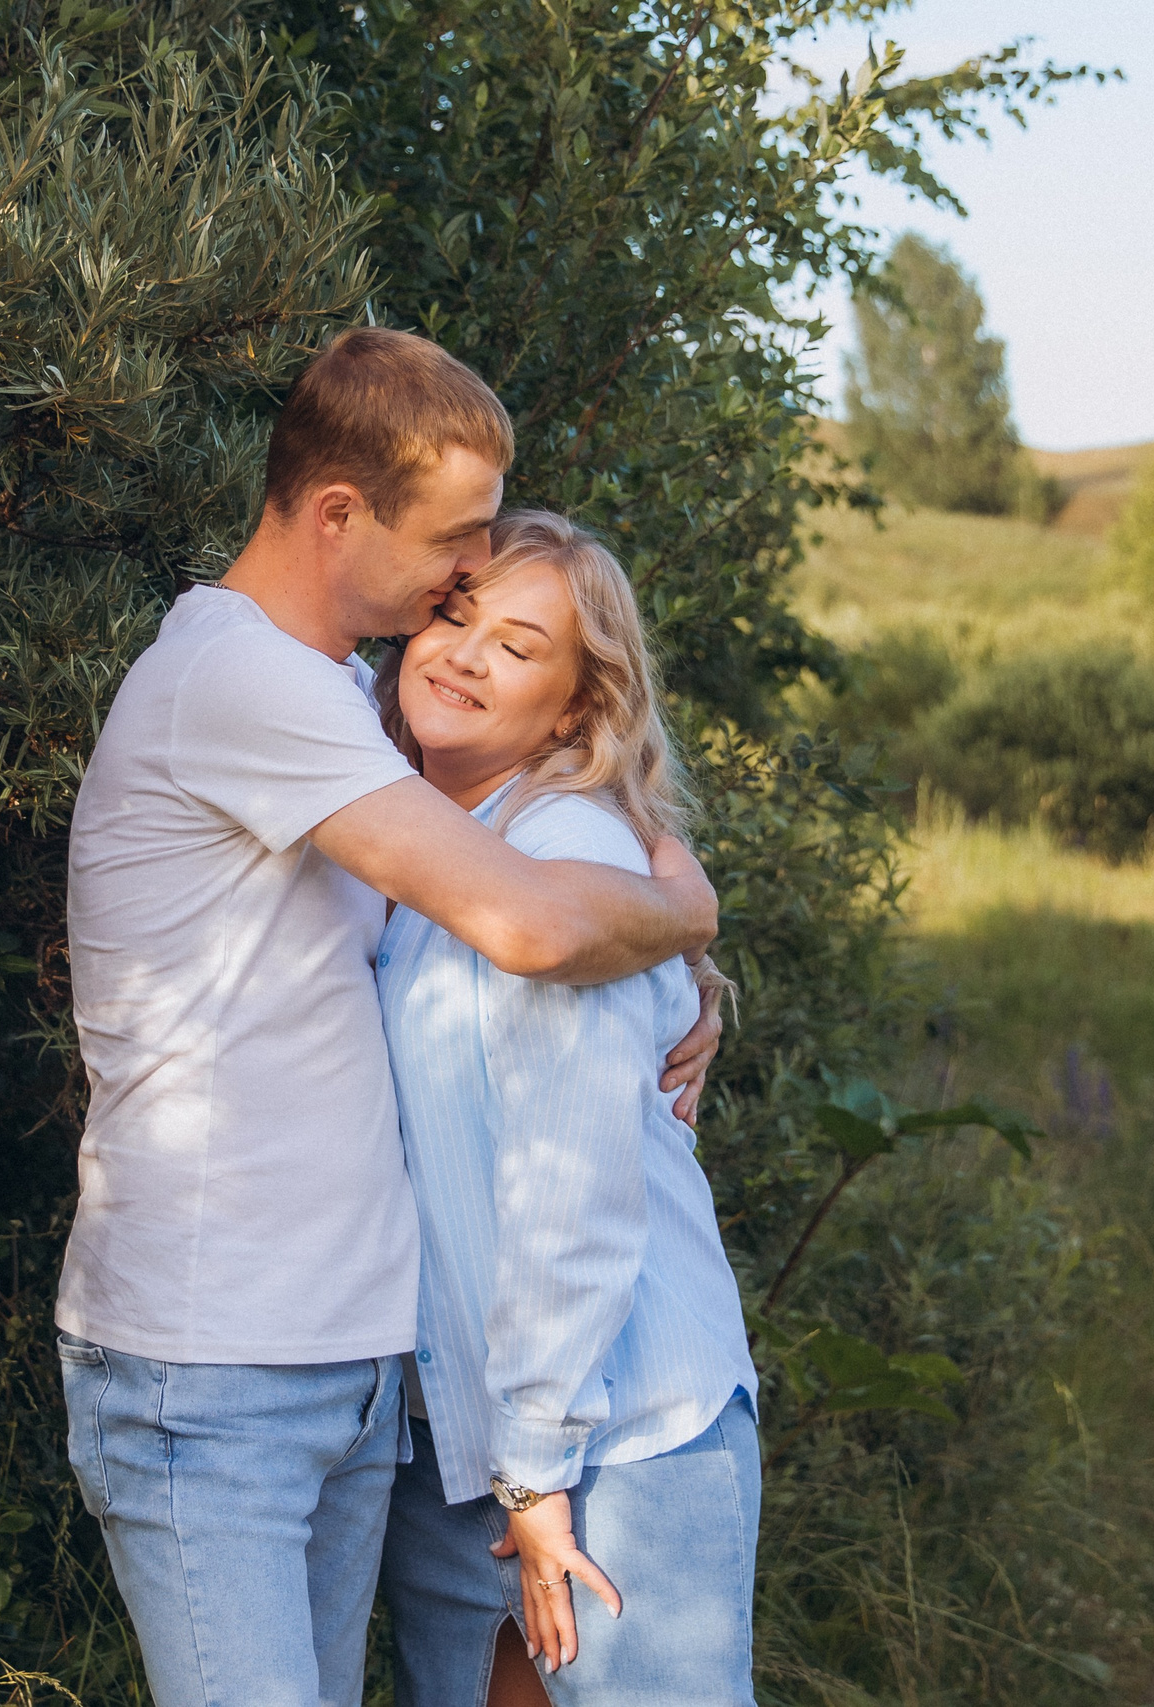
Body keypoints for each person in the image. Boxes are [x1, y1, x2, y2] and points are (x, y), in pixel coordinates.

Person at [56, 329, 726, 1707]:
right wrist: (692, 912)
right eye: (454, 547)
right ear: (341, 514)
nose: (466, 575)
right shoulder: (238, 681)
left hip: (350, 1367)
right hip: (212, 1360)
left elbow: (501, 902)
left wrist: (681, 979)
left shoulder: (344, 708)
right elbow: (531, 925)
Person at [374, 510, 761, 1707]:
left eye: (518, 644)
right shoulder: (420, 836)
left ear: (574, 712)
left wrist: (534, 1468)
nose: (465, 652)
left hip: (616, 1435)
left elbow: (569, 1183)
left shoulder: (561, 849)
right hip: (472, 1444)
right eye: (453, 614)